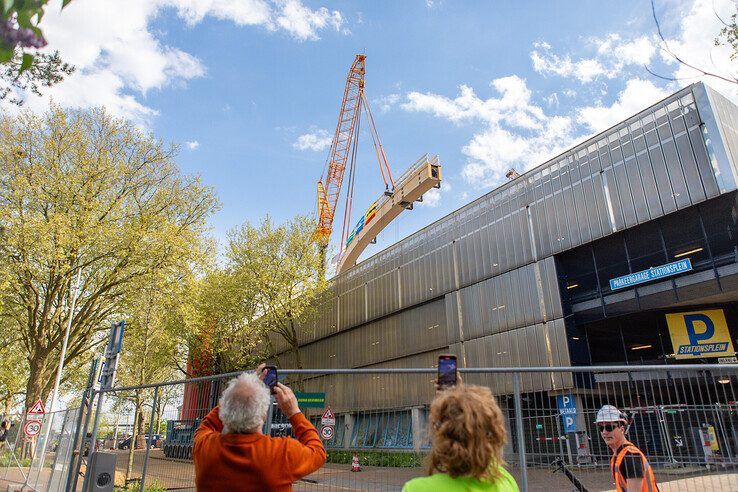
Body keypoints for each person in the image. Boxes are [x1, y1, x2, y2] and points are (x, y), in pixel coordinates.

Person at [193, 364, 326, 491]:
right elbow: (318, 452)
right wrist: (294, 413)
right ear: (263, 414)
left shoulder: (204, 448)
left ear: (224, 408)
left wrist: (239, 394)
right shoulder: (281, 453)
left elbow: (207, 424)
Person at [403, 383, 518, 491]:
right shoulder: (505, 482)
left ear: (440, 434)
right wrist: (463, 398)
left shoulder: (416, 488)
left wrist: (450, 401)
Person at [596, 405, 658, 492]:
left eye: (609, 427)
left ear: (621, 429)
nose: (604, 432)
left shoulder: (630, 455)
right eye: (601, 428)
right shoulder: (618, 456)